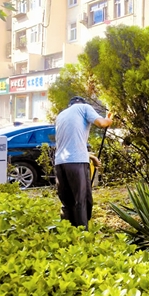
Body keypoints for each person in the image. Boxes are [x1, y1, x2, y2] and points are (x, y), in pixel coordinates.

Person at [55, 96, 113, 230]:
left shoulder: (61, 115)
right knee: (82, 201)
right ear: (82, 103)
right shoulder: (85, 108)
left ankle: (68, 233)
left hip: (60, 163)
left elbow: (69, 143)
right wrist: (109, 120)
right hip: (77, 162)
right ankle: (83, 235)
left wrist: (91, 156)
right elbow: (102, 123)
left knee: (67, 202)